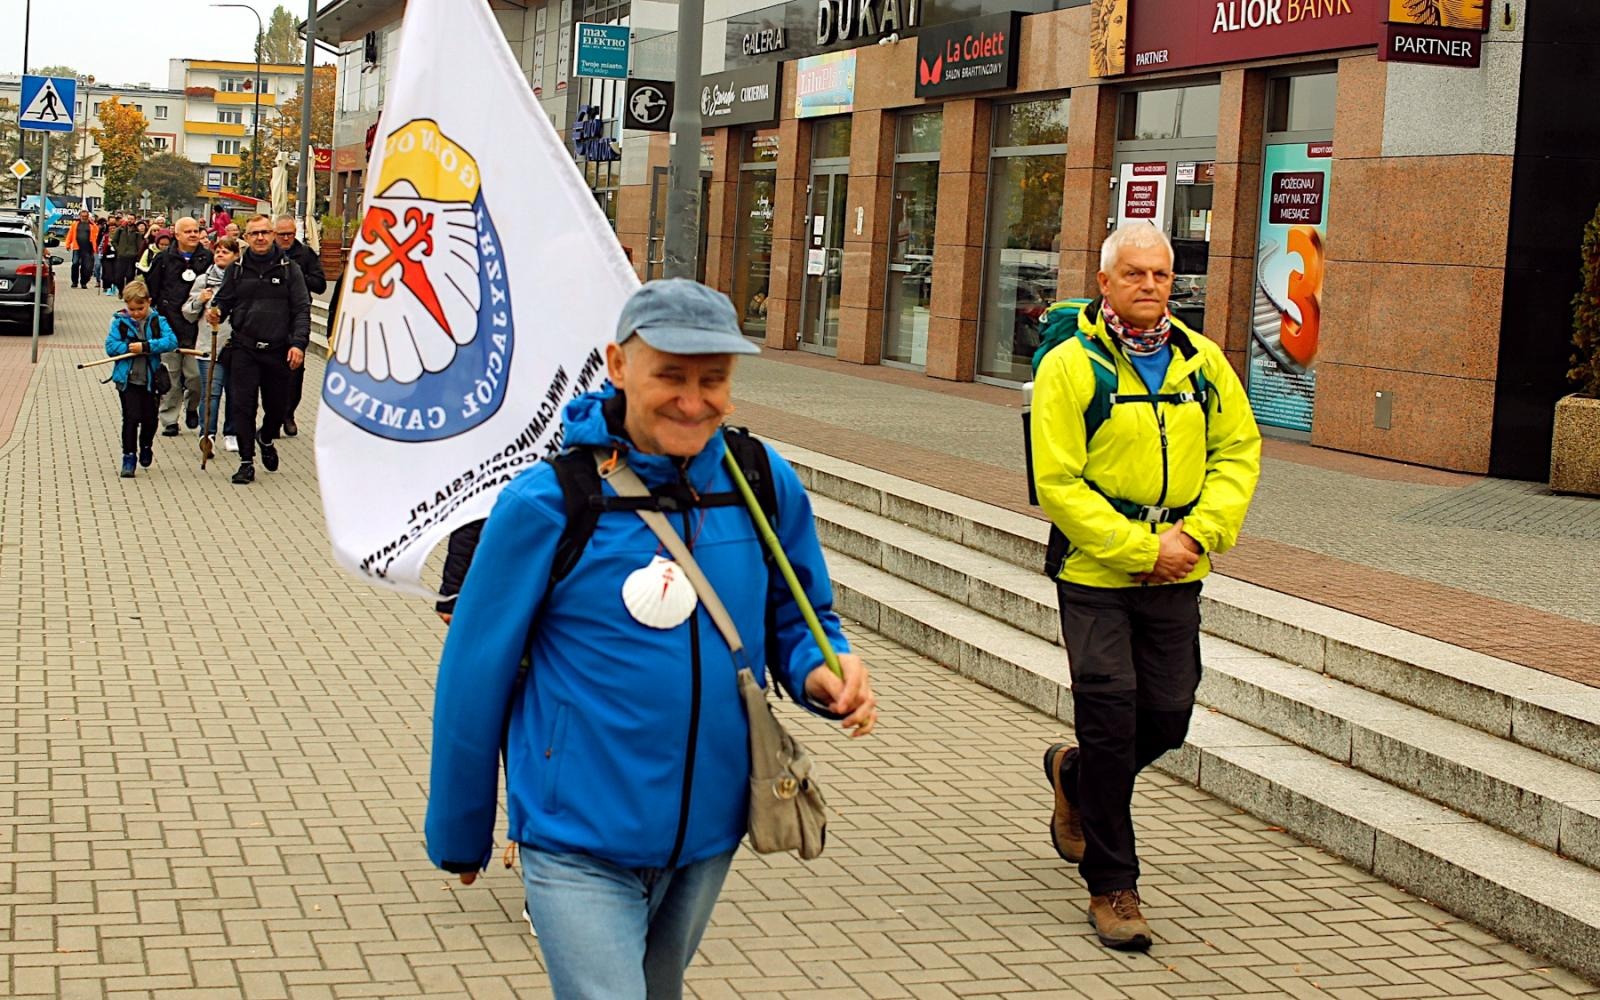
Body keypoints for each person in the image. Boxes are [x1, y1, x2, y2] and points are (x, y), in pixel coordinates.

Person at [426, 279, 879, 999]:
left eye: (714, 380)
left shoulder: (761, 481)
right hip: (576, 830)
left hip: (710, 830)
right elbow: (473, 674)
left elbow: (799, 618)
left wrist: (820, 672)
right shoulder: (550, 501)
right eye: (671, 375)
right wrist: (460, 826)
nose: (693, 401)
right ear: (618, 364)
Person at [1031, 224, 1261, 952]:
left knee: (1166, 717)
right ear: (1105, 283)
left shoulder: (1203, 362)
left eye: (1161, 274)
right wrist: (1136, 547)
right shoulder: (1070, 367)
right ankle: (1113, 886)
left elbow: (1238, 452)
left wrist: (1194, 538)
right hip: (1095, 571)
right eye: (1134, 274)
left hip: (1178, 569)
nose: (1151, 286)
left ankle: (1074, 776)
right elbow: (1057, 480)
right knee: (1109, 719)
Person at [207, 214, 310, 485]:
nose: (260, 238)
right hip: (245, 348)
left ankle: (265, 437)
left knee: (277, 408)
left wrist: (298, 344)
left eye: (265, 232)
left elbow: (301, 309)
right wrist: (216, 311)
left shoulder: (290, 269)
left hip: (278, 350)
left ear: (274, 234)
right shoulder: (237, 268)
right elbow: (223, 301)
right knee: (243, 406)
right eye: (254, 234)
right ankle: (246, 462)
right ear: (246, 237)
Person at [146, 218, 215, 436]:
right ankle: (169, 419)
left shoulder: (208, 258)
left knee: (195, 377)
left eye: (196, 231)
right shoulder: (163, 259)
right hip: (170, 326)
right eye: (188, 231)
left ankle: (192, 407)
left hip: (197, 327)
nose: (193, 235)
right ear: (177, 235)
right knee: (171, 376)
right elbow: (152, 291)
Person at [104, 280, 179, 478]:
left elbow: (171, 341)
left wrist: (146, 347)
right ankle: (128, 457)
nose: (136, 313)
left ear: (149, 302)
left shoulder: (158, 321)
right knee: (130, 418)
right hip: (127, 380)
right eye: (132, 309)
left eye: (140, 308)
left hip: (151, 380)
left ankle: (146, 445)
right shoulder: (119, 322)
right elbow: (111, 347)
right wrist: (129, 348)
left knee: (149, 419)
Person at [273, 214, 328, 437]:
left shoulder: (305, 254)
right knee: (273, 372)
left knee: (294, 371)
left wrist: (297, 275)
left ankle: (289, 414)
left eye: (290, 234)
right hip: (272, 319)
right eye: (282, 234)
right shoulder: (267, 254)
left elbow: (321, 285)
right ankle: (273, 418)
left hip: (297, 317)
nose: (286, 238)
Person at [182, 235, 239, 449]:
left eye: (226, 251)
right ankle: (207, 434)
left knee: (235, 392)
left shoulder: (242, 279)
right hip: (209, 345)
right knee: (211, 392)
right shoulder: (202, 281)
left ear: (236, 256)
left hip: (236, 345)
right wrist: (200, 300)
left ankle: (231, 432)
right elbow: (187, 312)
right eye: (218, 251)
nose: (221, 254)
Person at [65, 209, 101, 289]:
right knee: (75, 264)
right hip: (76, 247)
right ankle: (74, 282)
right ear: (80, 216)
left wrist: (96, 248)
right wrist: (67, 244)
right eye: (83, 216)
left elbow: (97, 237)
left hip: (88, 248)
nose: (84, 218)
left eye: (86, 216)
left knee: (86, 267)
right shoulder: (75, 224)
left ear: (88, 216)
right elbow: (70, 234)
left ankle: (83, 282)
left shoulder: (93, 225)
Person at [111, 214, 142, 297]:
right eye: (129, 219)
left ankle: (127, 294)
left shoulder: (137, 232)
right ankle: (121, 290)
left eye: (132, 219)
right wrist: (118, 249)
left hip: (132, 257)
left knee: (130, 276)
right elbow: (114, 241)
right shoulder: (120, 230)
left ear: (135, 220)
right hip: (121, 256)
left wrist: (137, 253)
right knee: (118, 277)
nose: (130, 221)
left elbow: (140, 245)